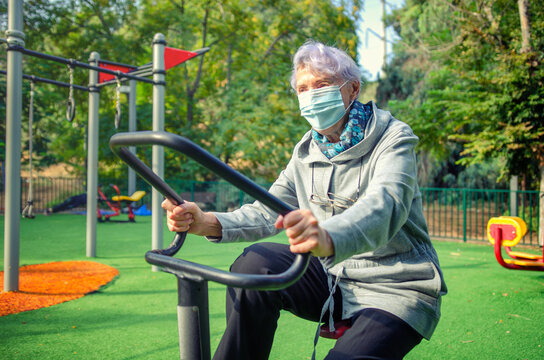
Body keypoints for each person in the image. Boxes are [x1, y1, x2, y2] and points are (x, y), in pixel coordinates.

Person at [162, 40, 447, 360]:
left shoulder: (393, 137)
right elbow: (268, 210)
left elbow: (385, 205)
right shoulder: (307, 150)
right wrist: (208, 222)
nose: (311, 95)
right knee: (255, 265)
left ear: (352, 89)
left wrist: (327, 236)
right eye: (303, 88)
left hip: (395, 286)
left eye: (322, 85)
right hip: (336, 277)